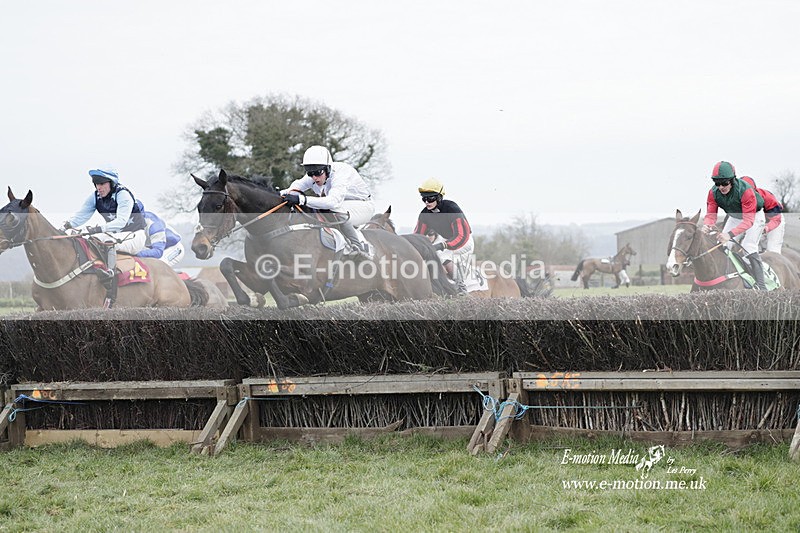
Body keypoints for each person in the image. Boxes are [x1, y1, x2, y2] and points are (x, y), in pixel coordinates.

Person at [64, 168, 147, 305]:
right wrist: (65, 227)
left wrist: (97, 229)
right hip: (117, 235)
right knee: (89, 239)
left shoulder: (123, 195)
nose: (99, 187)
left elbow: (121, 221)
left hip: (135, 235)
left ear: (112, 183)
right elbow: (80, 216)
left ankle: (109, 276)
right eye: (96, 184)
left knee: (106, 240)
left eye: (102, 184)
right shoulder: (95, 196)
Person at [280, 145, 375, 260]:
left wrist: (301, 199)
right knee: (323, 208)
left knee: (334, 209)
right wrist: (281, 193)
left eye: (317, 173)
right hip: (343, 205)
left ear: (327, 168)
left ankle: (358, 249)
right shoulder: (316, 174)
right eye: (310, 173)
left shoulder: (341, 173)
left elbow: (332, 202)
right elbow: (297, 186)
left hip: (363, 206)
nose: (314, 177)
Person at [701, 161, 767, 290]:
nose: (721, 187)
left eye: (724, 183)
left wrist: (729, 234)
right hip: (735, 216)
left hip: (754, 216)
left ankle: (761, 287)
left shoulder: (745, 191)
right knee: (724, 246)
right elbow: (710, 215)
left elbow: (748, 222)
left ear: (732, 180)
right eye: (717, 183)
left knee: (749, 246)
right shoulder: (712, 193)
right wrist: (707, 225)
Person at [414, 178, 473, 294]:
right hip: (445, 240)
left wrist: (443, 245)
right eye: (424, 199)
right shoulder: (424, 214)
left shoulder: (451, 209)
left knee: (441, 254)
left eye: (430, 198)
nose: (427, 202)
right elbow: (417, 235)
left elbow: (461, 236)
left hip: (464, 241)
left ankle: (461, 288)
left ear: (439, 197)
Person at [740, 176, 784, 254]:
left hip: (774, 221)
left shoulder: (768, 198)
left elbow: (776, 219)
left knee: (772, 249)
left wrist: (766, 228)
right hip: (756, 222)